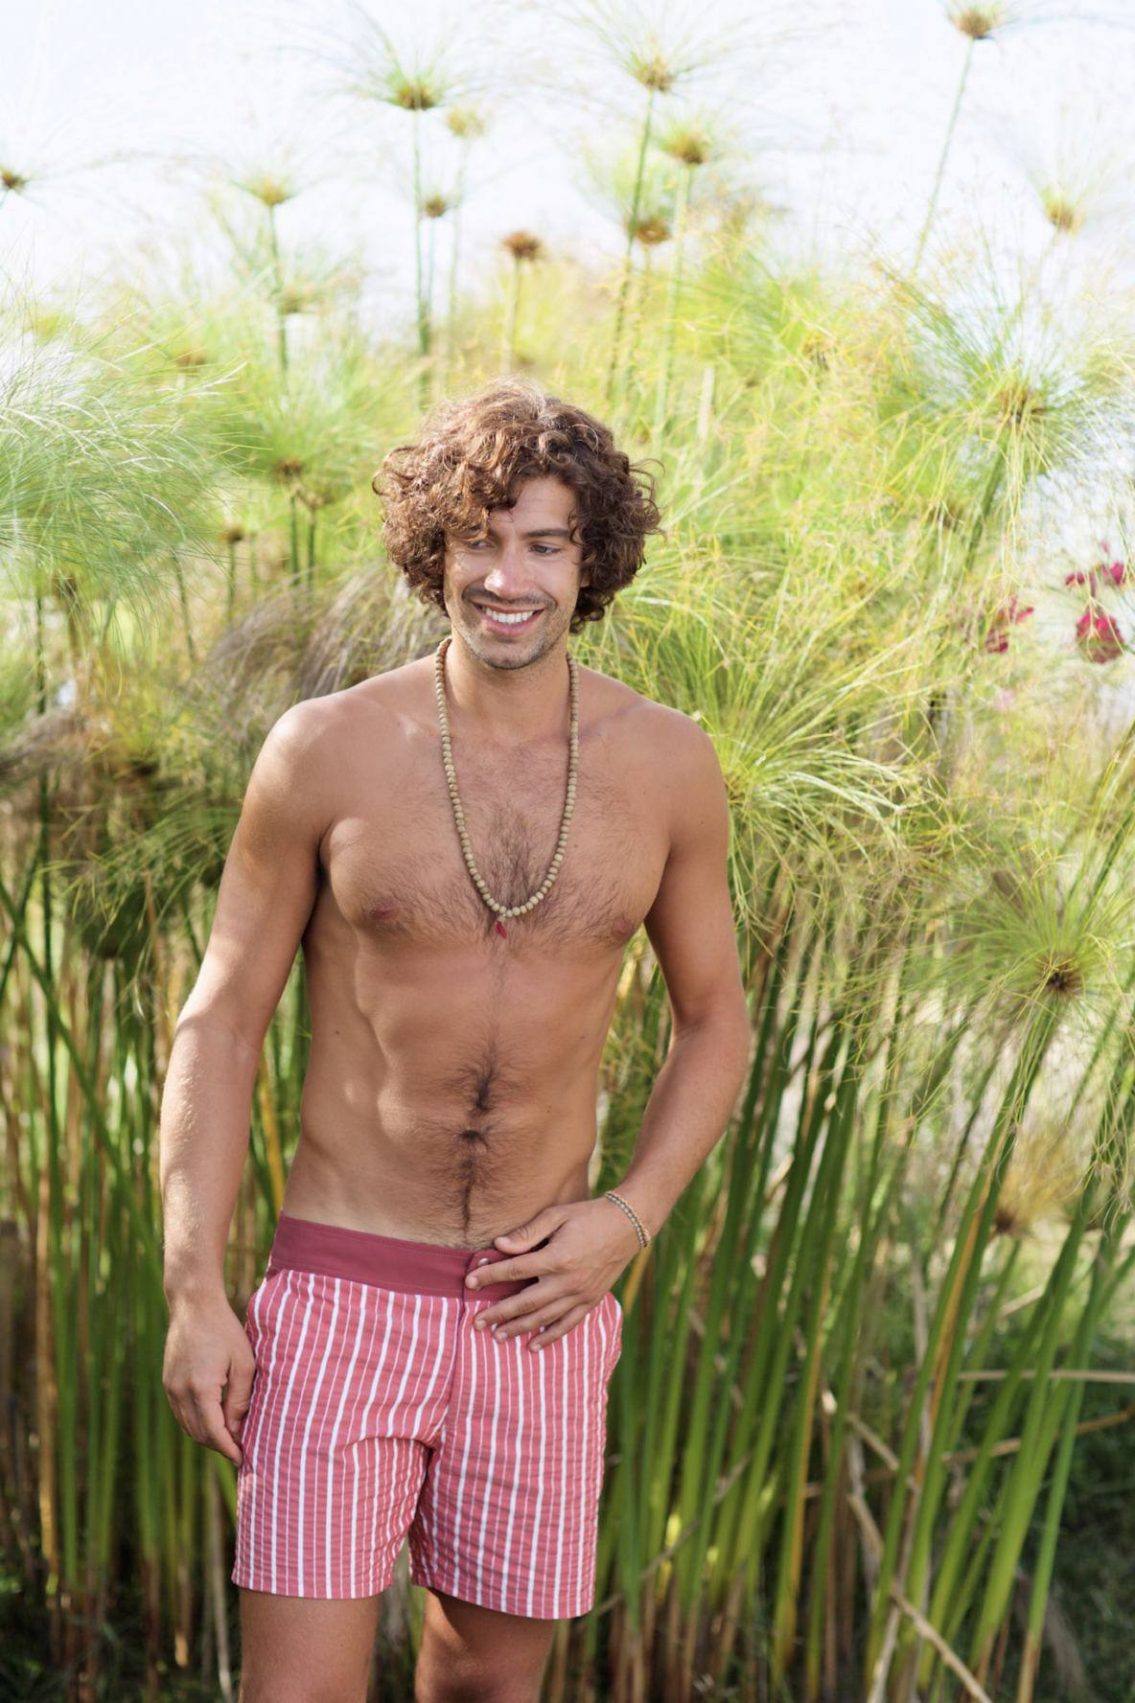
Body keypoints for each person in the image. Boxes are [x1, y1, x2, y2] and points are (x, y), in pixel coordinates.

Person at [159, 378, 752, 1703]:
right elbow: (223, 1019)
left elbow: (717, 1019)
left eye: (544, 544)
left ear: (592, 563)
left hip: (542, 1306)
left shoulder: (669, 765)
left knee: (485, 1690)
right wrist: (195, 1291)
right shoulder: (325, 749)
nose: (507, 578)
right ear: (434, 550)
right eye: (479, 540)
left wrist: (631, 1218)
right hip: (340, 1299)